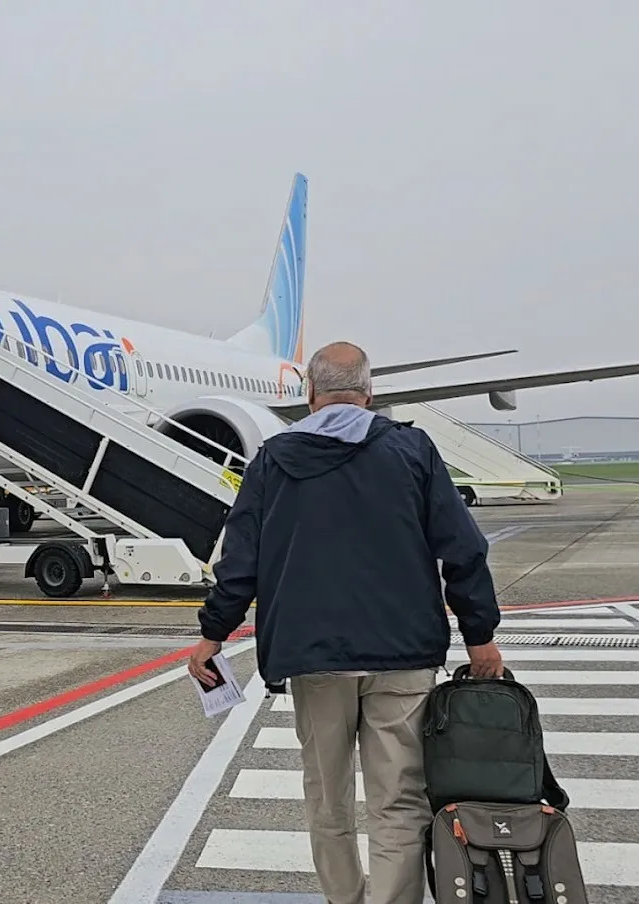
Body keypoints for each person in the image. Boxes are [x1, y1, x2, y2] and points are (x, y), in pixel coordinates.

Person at [188, 341, 503, 904]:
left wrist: (212, 635)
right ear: (369, 392)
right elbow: (462, 548)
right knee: (399, 802)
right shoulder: (412, 451)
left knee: (327, 798)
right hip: (403, 656)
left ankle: (345, 899)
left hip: (314, 657)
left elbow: (240, 562)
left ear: (309, 395)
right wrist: (480, 637)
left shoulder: (273, 460)